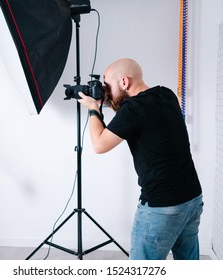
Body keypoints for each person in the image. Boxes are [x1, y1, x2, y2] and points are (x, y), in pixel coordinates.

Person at [78, 58, 203, 260]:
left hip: (162, 208)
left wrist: (93, 108)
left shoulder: (134, 109)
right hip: (192, 199)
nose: (106, 91)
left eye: (108, 85)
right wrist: (107, 101)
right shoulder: (166, 94)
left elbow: (99, 145)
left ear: (124, 82)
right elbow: (132, 118)